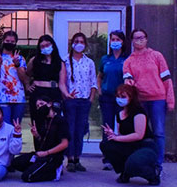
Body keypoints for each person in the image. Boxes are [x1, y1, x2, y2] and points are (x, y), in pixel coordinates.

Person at [123, 28, 175, 174]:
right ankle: (142, 162)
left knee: (158, 132)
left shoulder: (157, 56)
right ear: (132, 41)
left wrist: (170, 100)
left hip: (158, 99)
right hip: (140, 101)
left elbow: (167, 79)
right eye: (136, 38)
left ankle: (158, 164)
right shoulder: (129, 61)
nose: (139, 40)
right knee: (141, 133)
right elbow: (128, 83)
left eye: (142, 37)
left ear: (146, 39)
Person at [99, 84, 159, 185]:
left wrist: (117, 138)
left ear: (131, 98)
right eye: (118, 96)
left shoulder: (139, 112)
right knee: (106, 144)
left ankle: (152, 174)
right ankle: (124, 172)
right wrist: (113, 135)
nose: (119, 99)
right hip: (130, 145)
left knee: (134, 164)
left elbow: (138, 135)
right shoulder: (119, 114)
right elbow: (122, 134)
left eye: (123, 97)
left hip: (145, 146)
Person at [59, 32, 98, 172]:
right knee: (70, 129)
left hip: (84, 101)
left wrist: (91, 99)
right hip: (71, 101)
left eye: (82, 41)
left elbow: (93, 82)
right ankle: (69, 158)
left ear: (85, 45)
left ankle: (77, 158)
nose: (79, 44)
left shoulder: (89, 62)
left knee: (80, 130)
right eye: (77, 41)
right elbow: (62, 82)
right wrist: (66, 96)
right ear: (72, 43)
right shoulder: (65, 61)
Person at [10, 97, 69, 183]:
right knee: (15, 163)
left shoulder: (61, 121)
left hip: (52, 157)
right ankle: (40, 168)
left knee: (27, 177)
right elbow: (44, 141)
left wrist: (46, 153)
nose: (39, 107)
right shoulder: (43, 120)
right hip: (40, 155)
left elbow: (64, 144)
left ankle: (54, 173)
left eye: (41, 104)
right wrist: (36, 135)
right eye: (37, 106)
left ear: (49, 104)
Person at [98, 30, 129, 169]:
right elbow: (100, 76)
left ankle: (122, 155)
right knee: (107, 126)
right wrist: (99, 90)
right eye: (113, 39)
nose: (115, 42)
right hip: (107, 97)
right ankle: (108, 157)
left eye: (118, 39)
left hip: (122, 98)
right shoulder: (105, 59)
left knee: (123, 126)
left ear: (122, 42)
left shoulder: (127, 59)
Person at [0, 29, 29, 126]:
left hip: (19, 98)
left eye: (12, 42)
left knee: (16, 126)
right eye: (7, 41)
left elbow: (24, 78)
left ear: (15, 43)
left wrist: (17, 65)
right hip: (3, 97)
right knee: (5, 126)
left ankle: (16, 141)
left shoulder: (20, 58)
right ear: (3, 41)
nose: (9, 43)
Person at [25, 35, 63, 120]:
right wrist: (27, 86)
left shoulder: (59, 62)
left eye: (47, 45)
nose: (45, 47)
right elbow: (27, 74)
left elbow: (62, 83)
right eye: (42, 46)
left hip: (54, 92)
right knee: (38, 119)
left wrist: (67, 94)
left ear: (52, 45)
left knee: (54, 120)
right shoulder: (34, 60)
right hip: (38, 92)